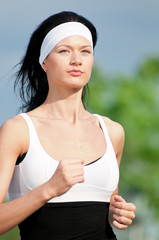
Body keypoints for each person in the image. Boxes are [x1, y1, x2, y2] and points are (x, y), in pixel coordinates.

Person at [0, 11, 136, 240]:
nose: (77, 60)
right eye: (64, 51)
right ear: (44, 61)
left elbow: (106, 205)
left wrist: (116, 212)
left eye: (85, 51)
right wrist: (49, 189)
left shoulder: (112, 131)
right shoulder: (19, 130)